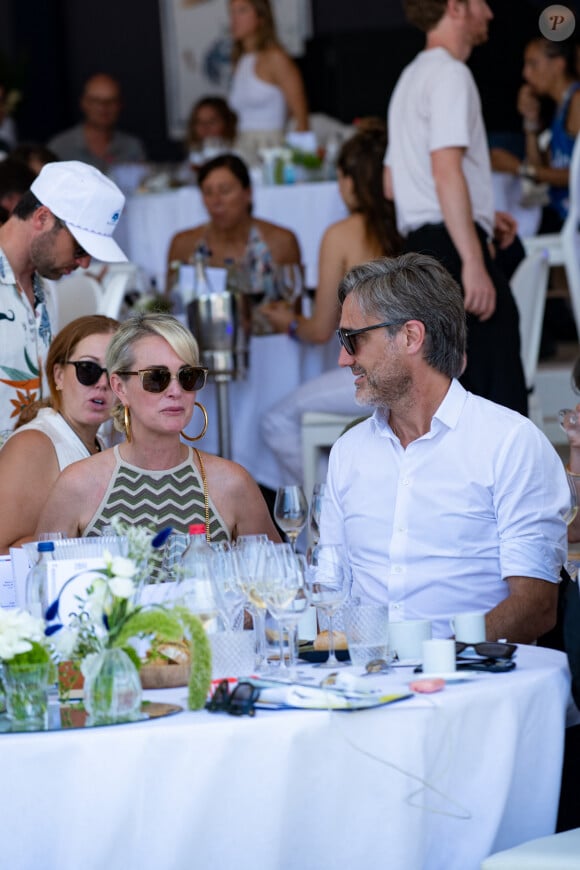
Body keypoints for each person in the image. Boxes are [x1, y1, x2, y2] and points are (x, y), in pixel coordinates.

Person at [320, 253, 569, 642]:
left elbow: (535, 605)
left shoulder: (509, 443)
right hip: (367, 683)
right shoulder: (348, 452)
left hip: (475, 684)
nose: (342, 358)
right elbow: (329, 588)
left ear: (411, 337)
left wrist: (441, 661)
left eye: (354, 339)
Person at [384, 0, 528, 417]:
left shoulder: (409, 77)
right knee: (496, 398)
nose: (491, 12)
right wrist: (472, 257)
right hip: (451, 253)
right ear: (456, 6)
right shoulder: (451, 73)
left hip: (420, 252)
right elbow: (445, 169)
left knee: (446, 396)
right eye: (483, 2)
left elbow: (393, 185)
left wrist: (479, 211)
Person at [35, 312, 280, 542]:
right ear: (120, 388)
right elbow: (43, 582)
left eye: (187, 377)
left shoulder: (233, 483)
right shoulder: (77, 485)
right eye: (156, 378)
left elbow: (275, 581)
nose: (175, 391)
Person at [259, 124, 402, 485]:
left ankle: (329, 510)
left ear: (351, 181)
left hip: (375, 371)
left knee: (276, 421)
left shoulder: (341, 234)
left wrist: (286, 321)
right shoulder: (411, 224)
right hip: (419, 366)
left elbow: (321, 330)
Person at [0, 159, 127, 444]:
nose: (84, 263)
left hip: (31, 471)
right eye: (80, 247)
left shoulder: (44, 284)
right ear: (42, 218)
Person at [0, 315, 119, 552]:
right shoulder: (32, 445)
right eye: (88, 369)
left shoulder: (100, 444)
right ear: (59, 375)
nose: (103, 383)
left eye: (117, 372)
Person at [165, 153, 300, 294]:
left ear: (247, 193)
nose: (216, 201)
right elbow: (168, 308)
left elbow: (294, 308)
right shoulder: (184, 245)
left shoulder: (280, 242)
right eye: (208, 192)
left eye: (225, 191)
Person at [491, 36, 580, 233]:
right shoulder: (560, 107)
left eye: (533, 64)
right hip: (562, 217)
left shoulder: (577, 101)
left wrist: (519, 169)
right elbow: (544, 171)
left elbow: (575, 175)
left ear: (558, 65)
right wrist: (530, 123)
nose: (526, 73)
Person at [228, 0, 309, 162]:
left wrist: (302, 158)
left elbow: (300, 115)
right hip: (242, 147)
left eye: (242, 11)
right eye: (232, 12)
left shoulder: (276, 58)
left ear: (261, 17)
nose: (234, 19)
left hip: (271, 150)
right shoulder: (240, 60)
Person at [48, 73, 146, 173]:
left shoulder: (132, 147)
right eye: (96, 101)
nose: (103, 108)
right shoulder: (60, 147)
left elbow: (142, 185)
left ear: (120, 105)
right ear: (84, 103)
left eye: (111, 101)